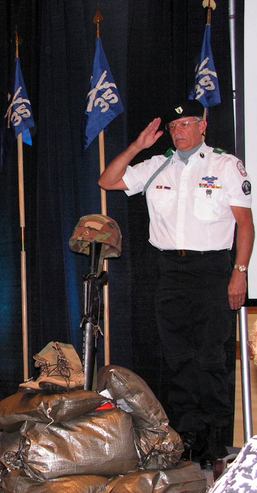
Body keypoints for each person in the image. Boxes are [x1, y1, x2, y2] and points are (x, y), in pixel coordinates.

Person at [98, 99, 254, 467]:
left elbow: (245, 224)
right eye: (173, 126)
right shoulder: (156, 165)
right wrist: (138, 146)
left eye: (186, 124)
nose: (179, 131)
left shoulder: (225, 165)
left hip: (212, 268)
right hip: (169, 269)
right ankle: (187, 439)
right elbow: (107, 180)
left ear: (203, 126)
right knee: (179, 357)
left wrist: (240, 272)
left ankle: (215, 444)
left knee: (211, 358)